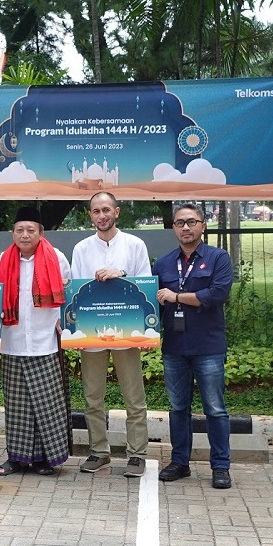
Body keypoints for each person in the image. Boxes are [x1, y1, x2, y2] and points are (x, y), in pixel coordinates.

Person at [71, 192, 153, 478]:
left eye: (106, 210)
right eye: (96, 211)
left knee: (134, 396)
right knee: (92, 397)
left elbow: (145, 286)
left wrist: (122, 274)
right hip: (93, 331)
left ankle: (137, 454)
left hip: (126, 329)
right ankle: (99, 452)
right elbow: (77, 291)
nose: (101, 216)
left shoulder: (135, 244)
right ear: (90, 215)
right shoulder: (81, 248)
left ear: (117, 212)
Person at [153, 202, 234, 489]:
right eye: (179, 223)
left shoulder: (218, 258)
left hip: (208, 346)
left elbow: (216, 294)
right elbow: (151, 299)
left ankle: (221, 467)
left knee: (215, 409)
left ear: (203, 225)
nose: (185, 227)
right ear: (173, 228)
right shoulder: (163, 263)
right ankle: (179, 463)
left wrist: (176, 297)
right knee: (178, 408)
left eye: (191, 221)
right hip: (174, 347)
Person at [0, 205, 72, 476]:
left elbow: (67, 293)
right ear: (12, 233)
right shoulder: (4, 259)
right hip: (12, 340)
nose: (25, 235)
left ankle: (46, 459)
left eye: (30, 230)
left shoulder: (57, 257)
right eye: (19, 230)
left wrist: (65, 325)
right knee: (17, 404)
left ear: (41, 232)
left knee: (47, 403)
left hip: (45, 339)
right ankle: (17, 458)